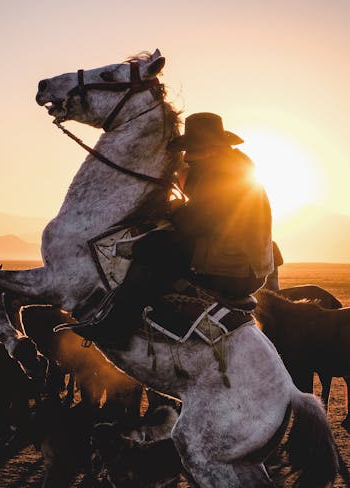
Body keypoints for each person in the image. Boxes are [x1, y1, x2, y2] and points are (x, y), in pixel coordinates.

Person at [75, 112, 274, 349]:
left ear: (211, 148)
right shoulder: (232, 167)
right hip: (243, 263)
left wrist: (167, 215)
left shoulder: (223, 176)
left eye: (193, 149)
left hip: (234, 267)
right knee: (158, 244)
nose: (189, 157)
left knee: (148, 248)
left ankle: (118, 328)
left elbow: (197, 220)